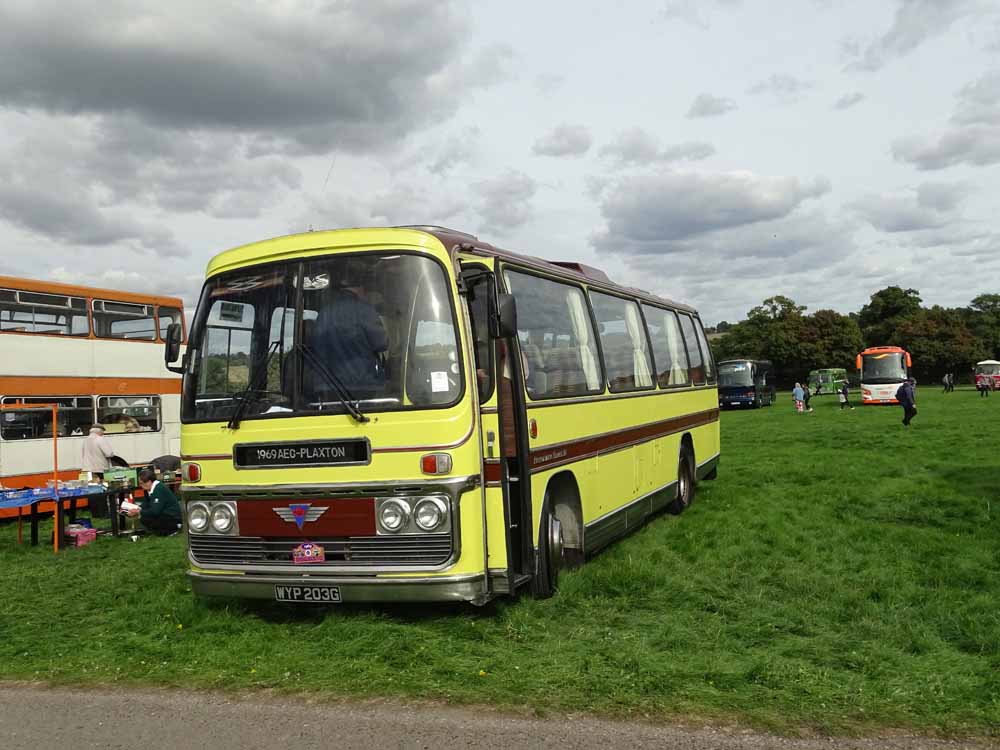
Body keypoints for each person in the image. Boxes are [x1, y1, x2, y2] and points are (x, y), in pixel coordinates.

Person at [310, 261, 389, 398]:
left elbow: (316, 346)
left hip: (327, 387)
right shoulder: (365, 310)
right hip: (363, 386)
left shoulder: (324, 313)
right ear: (361, 288)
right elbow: (382, 343)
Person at [127, 468, 182, 535]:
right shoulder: (150, 489)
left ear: (149, 482)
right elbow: (146, 503)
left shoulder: (158, 489)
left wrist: (139, 512)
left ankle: (171, 530)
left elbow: (155, 511)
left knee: (145, 517)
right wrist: (137, 508)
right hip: (166, 514)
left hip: (172, 517)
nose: (141, 486)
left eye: (141, 483)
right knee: (144, 517)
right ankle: (160, 531)